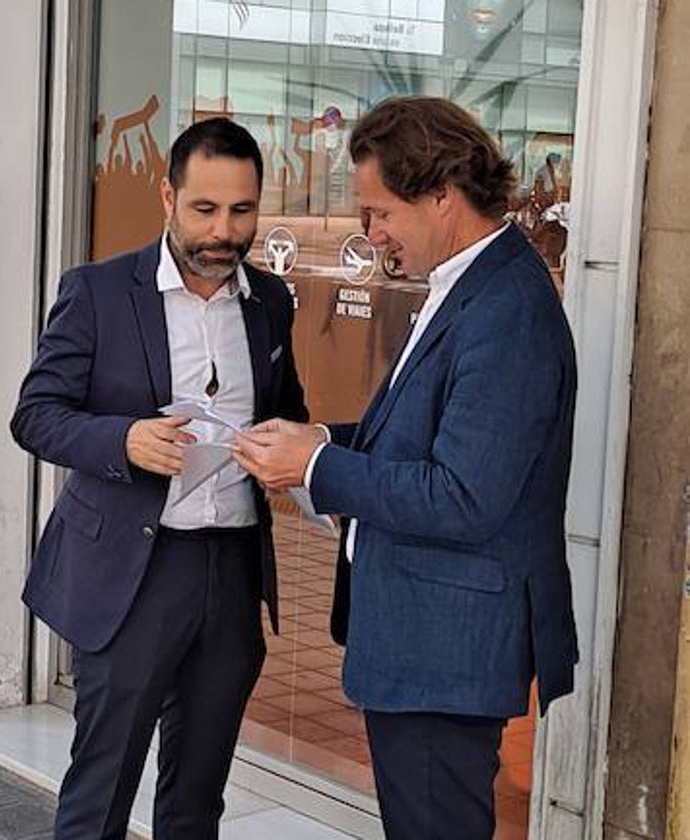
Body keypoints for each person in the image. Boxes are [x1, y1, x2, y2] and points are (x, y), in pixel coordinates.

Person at [233, 96, 579, 840]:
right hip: (427, 643)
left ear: (442, 196)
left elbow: (462, 496)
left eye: (381, 211)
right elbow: (421, 440)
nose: (373, 235)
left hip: (447, 654)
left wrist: (317, 466)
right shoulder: (474, 286)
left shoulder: (506, 310)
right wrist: (321, 436)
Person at [11, 118, 308, 839]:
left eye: (242, 210)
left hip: (231, 572)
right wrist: (124, 439)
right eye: (205, 209)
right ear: (167, 196)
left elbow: (289, 411)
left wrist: (287, 452)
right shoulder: (99, 292)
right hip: (132, 573)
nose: (223, 231)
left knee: (198, 795)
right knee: (101, 789)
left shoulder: (270, 302)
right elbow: (34, 415)